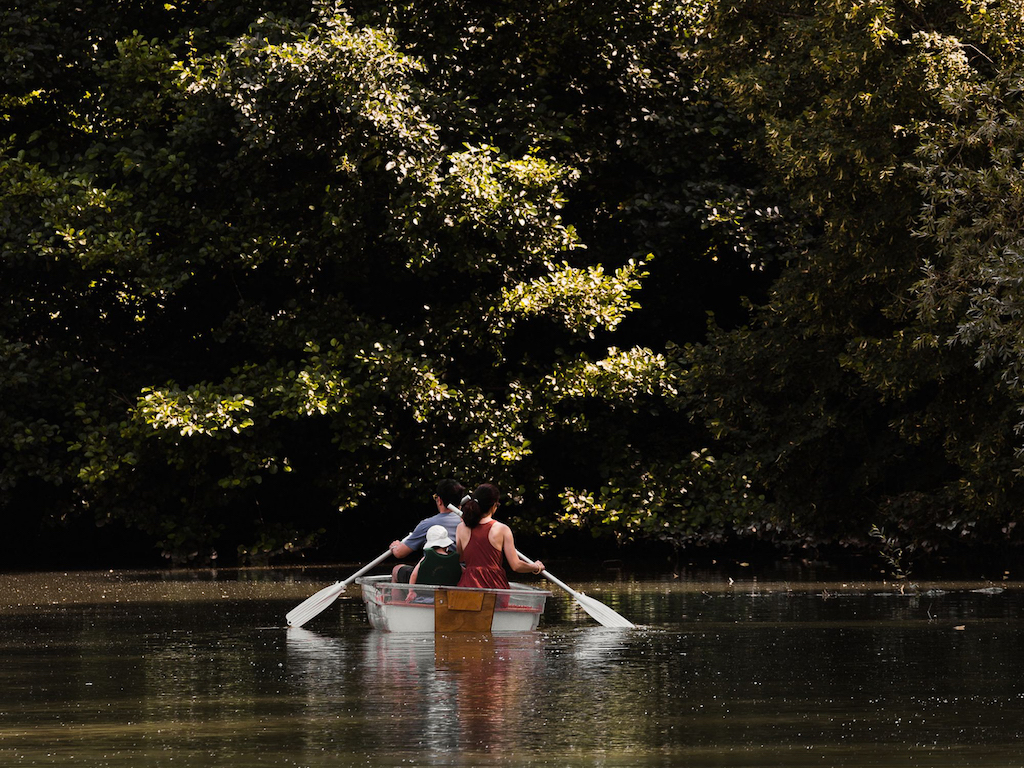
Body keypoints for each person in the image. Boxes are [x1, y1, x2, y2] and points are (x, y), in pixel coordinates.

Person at [456, 483, 544, 590]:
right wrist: (536, 567)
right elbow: (516, 566)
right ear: (494, 506)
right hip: (494, 585)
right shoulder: (502, 529)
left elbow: (460, 558)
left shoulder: (461, 527)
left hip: (468, 584)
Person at [390, 478, 465, 583]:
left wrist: (395, 546)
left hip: (432, 575)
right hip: (460, 576)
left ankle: (397, 600)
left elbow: (400, 553)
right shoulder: (470, 522)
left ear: (439, 500)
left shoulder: (427, 524)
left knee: (396, 570)